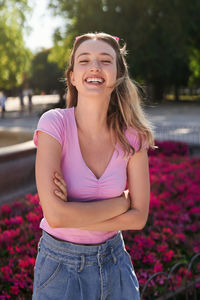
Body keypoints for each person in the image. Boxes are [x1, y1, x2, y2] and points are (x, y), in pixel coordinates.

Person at [32, 32, 155, 300]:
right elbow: (55, 217)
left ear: (118, 75)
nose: (95, 66)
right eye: (84, 60)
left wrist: (72, 213)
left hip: (115, 263)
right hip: (60, 269)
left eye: (105, 60)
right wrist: (121, 204)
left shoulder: (134, 136)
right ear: (73, 77)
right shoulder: (54, 125)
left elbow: (139, 218)